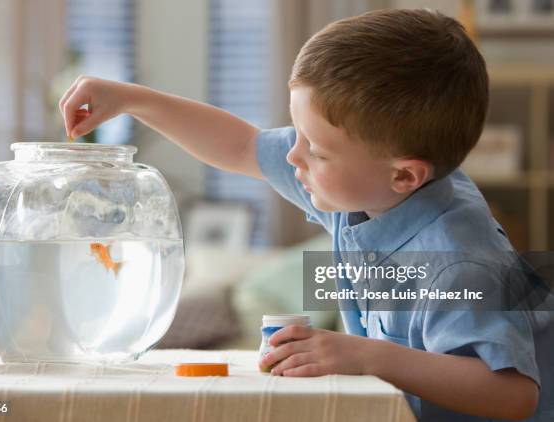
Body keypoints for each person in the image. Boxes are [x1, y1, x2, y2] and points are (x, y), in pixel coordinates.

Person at [59, 9, 553, 421]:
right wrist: (130, 99)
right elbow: (243, 145)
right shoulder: (368, 189)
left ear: (405, 175)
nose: (294, 158)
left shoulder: (458, 257)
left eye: (316, 149)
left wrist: (363, 355)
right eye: (296, 133)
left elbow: (512, 394)